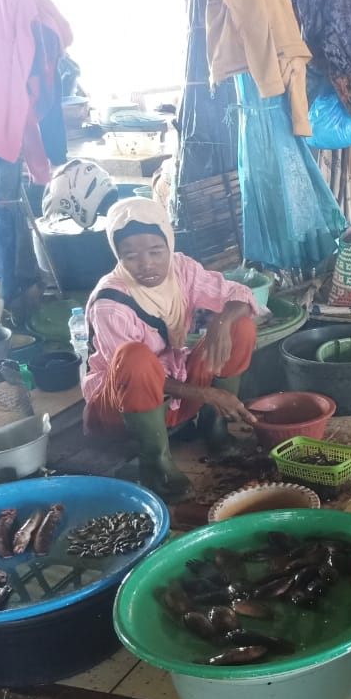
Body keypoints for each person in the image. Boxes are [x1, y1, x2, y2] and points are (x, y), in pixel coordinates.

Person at [82, 198, 261, 500]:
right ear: (117, 255)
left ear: (169, 242)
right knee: (136, 358)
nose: (147, 264)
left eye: (156, 251)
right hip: (119, 413)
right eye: (131, 256)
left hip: (173, 403)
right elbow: (130, 376)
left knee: (240, 326)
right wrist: (208, 393)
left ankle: (214, 427)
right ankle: (156, 464)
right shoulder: (110, 303)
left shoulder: (181, 270)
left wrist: (221, 323)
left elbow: (238, 294)